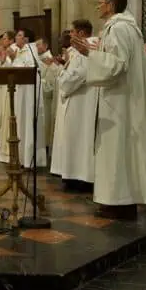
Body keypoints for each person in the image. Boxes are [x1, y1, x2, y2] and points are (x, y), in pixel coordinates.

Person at [70, 0, 146, 220]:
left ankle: (119, 202)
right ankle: (116, 200)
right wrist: (92, 50)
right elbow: (114, 57)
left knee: (117, 151)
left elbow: (117, 65)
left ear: (110, 5)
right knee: (117, 151)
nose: (98, 7)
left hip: (119, 100)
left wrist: (89, 54)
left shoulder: (119, 28)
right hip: (119, 97)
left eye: (100, 3)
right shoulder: (125, 27)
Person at [51, 21, 99, 192]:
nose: (69, 35)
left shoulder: (88, 48)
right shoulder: (78, 51)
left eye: (72, 32)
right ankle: (72, 174)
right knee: (74, 137)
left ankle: (81, 177)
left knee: (80, 137)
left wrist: (63, 74)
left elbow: (79, 74)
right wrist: (65, 67)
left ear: (81, 33)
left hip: (82, 100)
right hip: (77, 99)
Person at [0, 28, 46, 168]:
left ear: (26, 39)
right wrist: (6, 60)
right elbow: (12, 69)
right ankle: (20, 157)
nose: (16, 38)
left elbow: (29, 70)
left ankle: (29, 159)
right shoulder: (19, 51)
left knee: (27, 123)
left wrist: (14, 58)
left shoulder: (31, 51)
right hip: (20, 94)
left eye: (19, 35)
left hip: (28, 95)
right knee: (20, 124)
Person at [37, 36, 62, 156]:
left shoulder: (50, 61)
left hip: (46, 100)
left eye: (39, 45)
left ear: (46, 46)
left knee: (45, 125)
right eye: (35, 45)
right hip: (37, 98)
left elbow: (51, 83)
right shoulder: (37, 59)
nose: (36, 47)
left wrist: (39, 83)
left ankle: (46, 146)